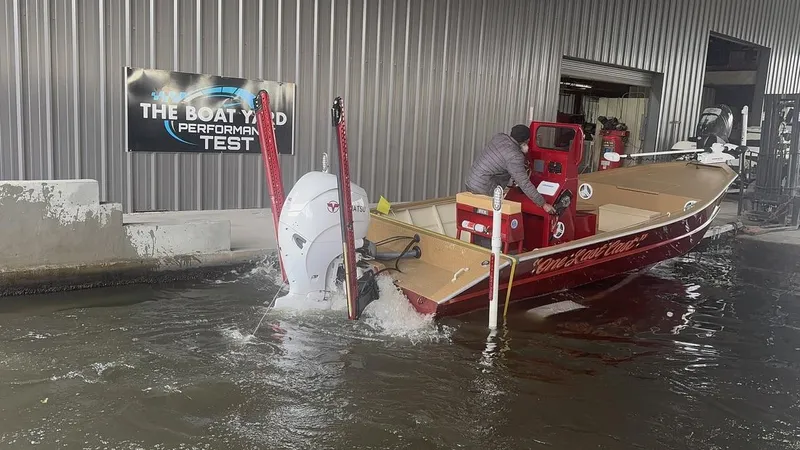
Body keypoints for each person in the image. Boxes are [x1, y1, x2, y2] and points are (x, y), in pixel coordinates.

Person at [465, 124, 556, 215]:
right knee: (491, 219)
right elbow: (524, 183)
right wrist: (543, 204)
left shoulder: (499, 137)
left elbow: (500, 161)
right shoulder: (515, 156)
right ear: (526, 141)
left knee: (477, 216)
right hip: (483, 188)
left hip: (471, 181)